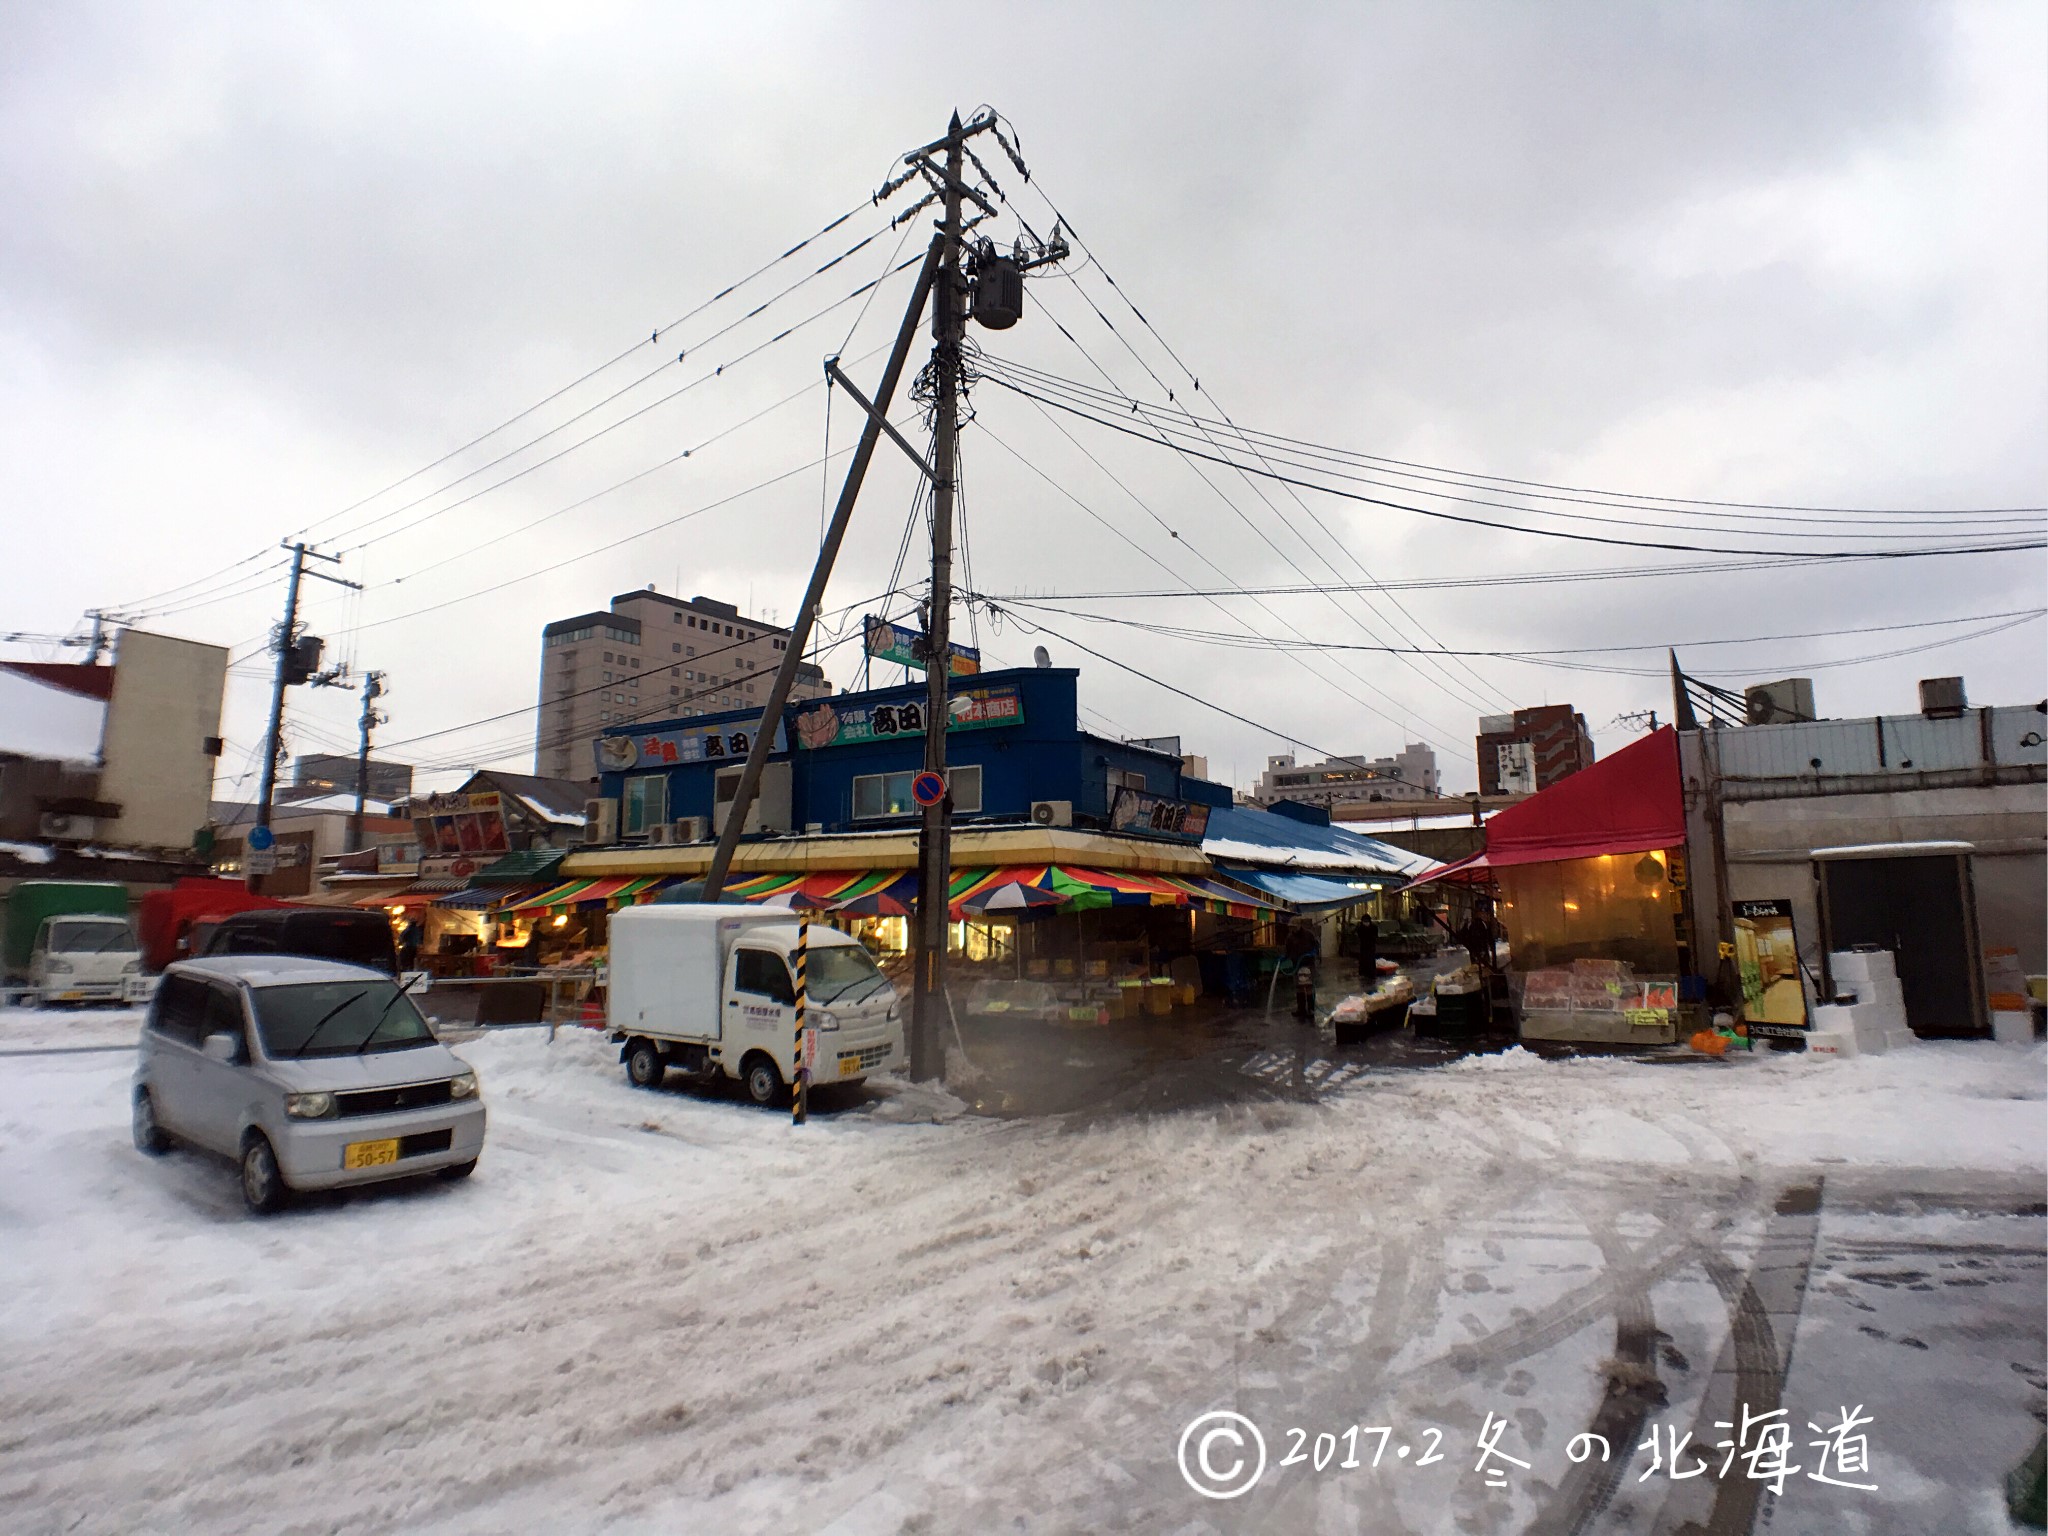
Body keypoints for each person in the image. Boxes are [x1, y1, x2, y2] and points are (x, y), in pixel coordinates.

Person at [1285, 919, 1320, 1021]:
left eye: (1294, 927)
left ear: (1299, 925)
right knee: (1299, 987)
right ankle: (1301, 1009)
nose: (1293, 929)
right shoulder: (1290, 937)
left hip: (1308, 964)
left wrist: (1314, 952)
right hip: (1296, 965)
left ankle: (1311, 1009)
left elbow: (1316, 945)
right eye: (1291, 927)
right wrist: (1286, 956)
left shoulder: (1308, 935)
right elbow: (1288, 950)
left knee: (1308, 986)